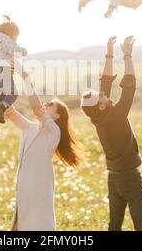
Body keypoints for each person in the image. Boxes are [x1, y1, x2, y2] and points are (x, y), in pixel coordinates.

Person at [80, 35, 142, 231]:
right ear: (101, 106)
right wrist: (127, 55)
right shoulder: (117, 116)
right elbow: (129, 84)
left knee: (114, 226)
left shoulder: (97, 118)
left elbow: (105, 83)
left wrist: (109, 55)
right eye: (101, 96)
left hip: (113, 179)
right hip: (129, 178)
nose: (103, 93)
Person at [5, 67, 83, 231]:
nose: (44, 105)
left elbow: (36, 108)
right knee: (21, 225)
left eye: (49, 104)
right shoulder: (30, 128)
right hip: (24, 185)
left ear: (56, 116)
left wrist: (25, 77)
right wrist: (4, 81)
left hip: (39, 186)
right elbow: (10, 112)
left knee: (39, 225)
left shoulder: (54, 132)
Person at [0, 15, 27, 132]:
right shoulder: (7, 41)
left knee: (1, 99)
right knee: (13, 93)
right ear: (11, 35)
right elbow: (14, 50)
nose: (16, 40)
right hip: (3, 71)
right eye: (16, 37)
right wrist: (24, 51)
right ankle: (0, 108)